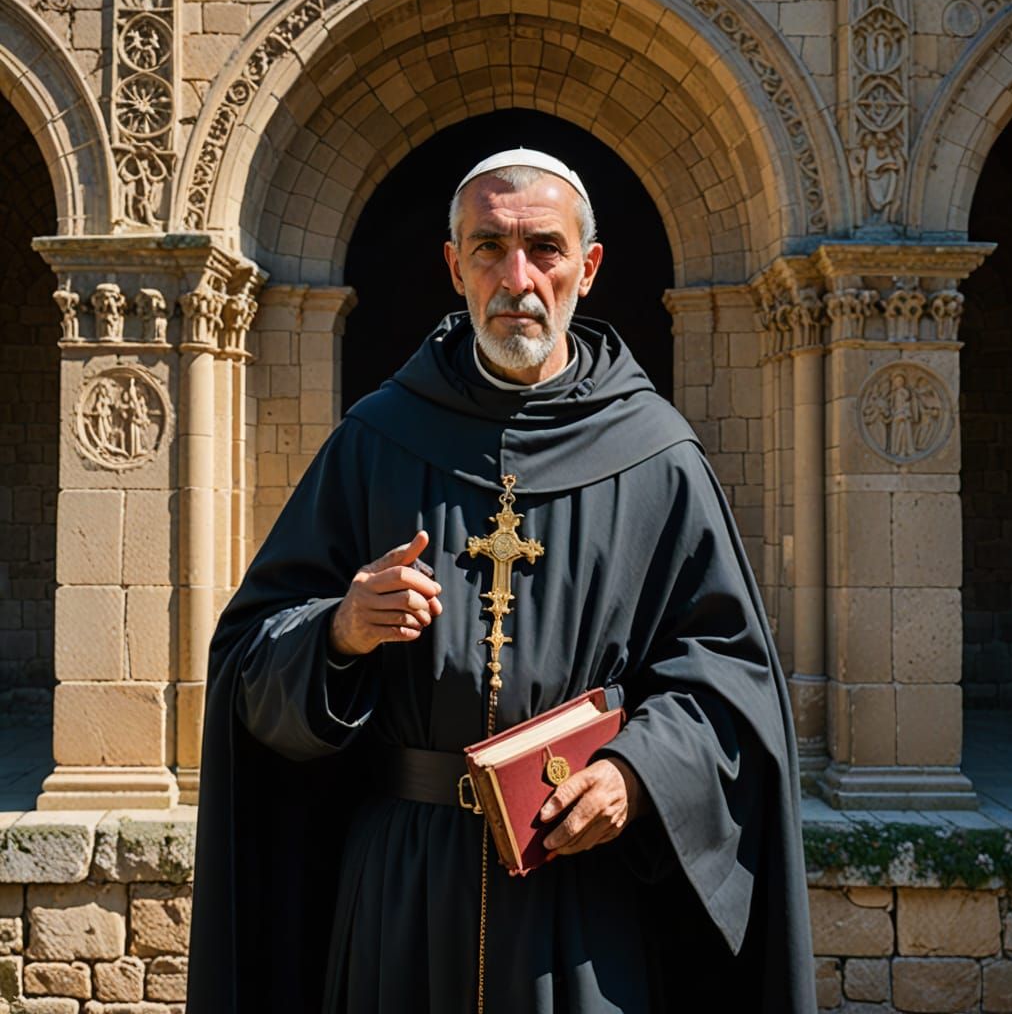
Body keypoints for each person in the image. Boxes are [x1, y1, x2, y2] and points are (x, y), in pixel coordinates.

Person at [186, 148, 816, 1013]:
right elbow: (247, 662)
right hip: (403, 892)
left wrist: (638, 776)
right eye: (488, 247)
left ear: (587, 269)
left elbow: (729, 684)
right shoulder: (377, 439)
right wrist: (338, 631)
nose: (517, 278)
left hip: (581, 897)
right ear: (455, 267)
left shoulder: (659, 456)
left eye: (545, 249)